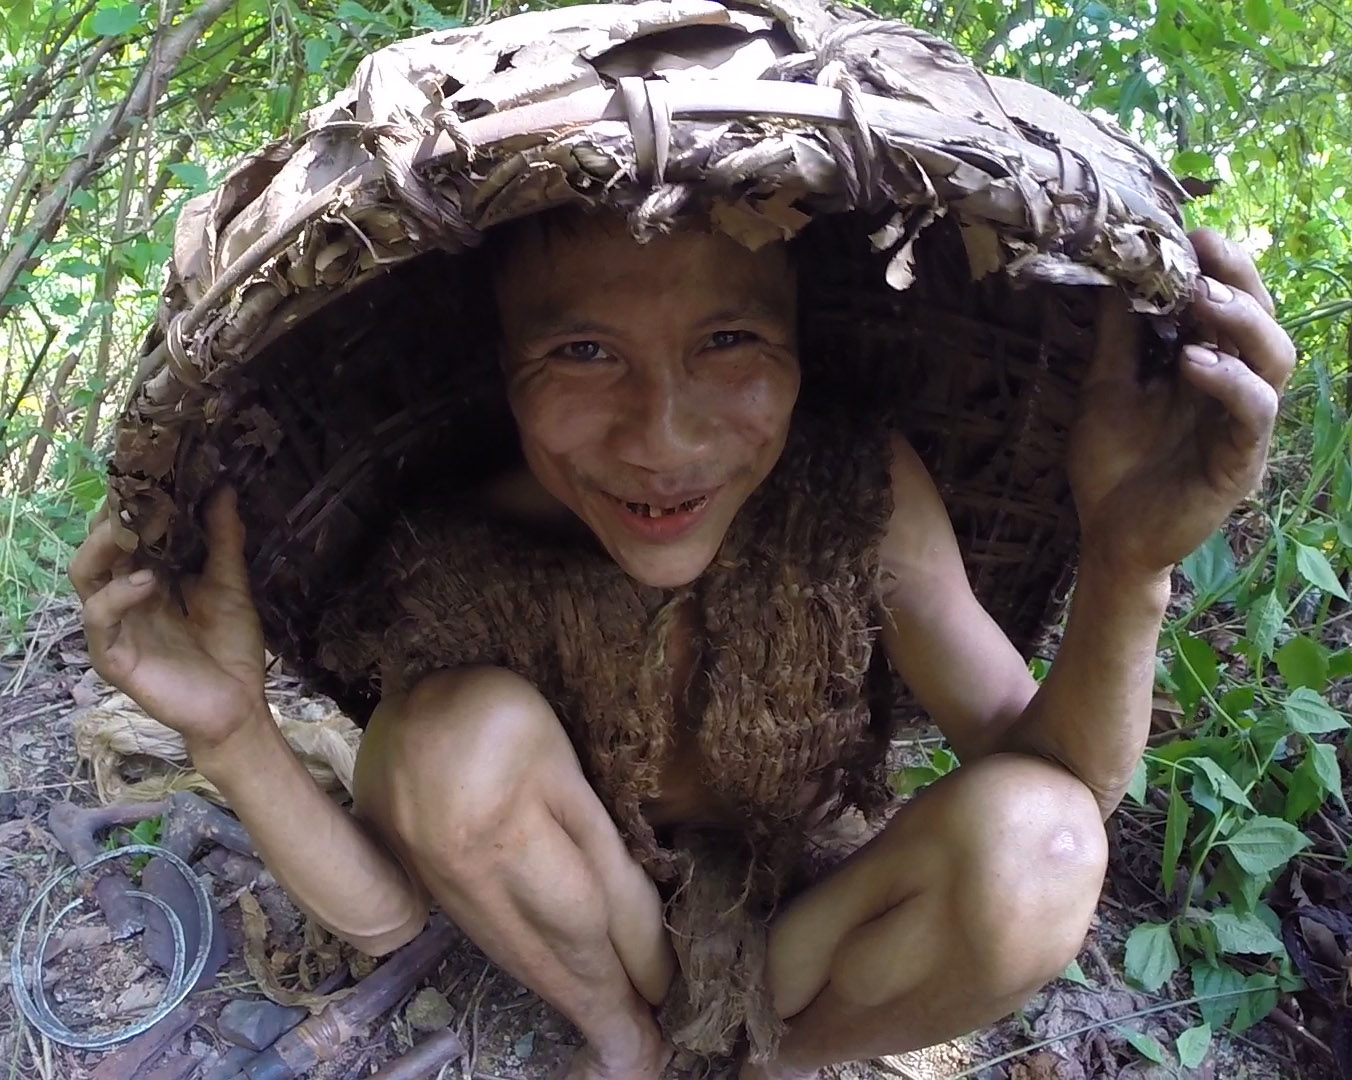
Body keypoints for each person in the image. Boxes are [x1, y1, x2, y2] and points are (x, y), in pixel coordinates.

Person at [71, 211, 1294, 1079]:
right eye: (583, 352)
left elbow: (1058, 775)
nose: (662, 438)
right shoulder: (456, 557)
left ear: (801, 350)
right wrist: (229, 733)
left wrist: (1127, 566)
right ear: (501, 372)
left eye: (728, 344)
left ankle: (779, 1064)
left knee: (1043, 843)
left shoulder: (849, 484)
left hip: (806, 918)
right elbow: (396, 909)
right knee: (445, 736)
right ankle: (625, 1045)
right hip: (604, 927)